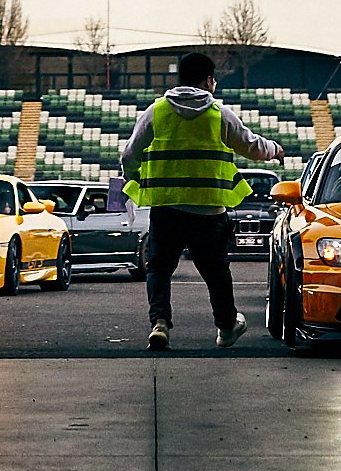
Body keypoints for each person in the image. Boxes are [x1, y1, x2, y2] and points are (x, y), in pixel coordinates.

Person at [120, 49, 279, 352]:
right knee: (216, 271)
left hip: (166, 207)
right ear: (208, 80)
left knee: (158, 267)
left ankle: (160, 324)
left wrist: (134, 176)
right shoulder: (219, 114)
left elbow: (129, 155)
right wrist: (275, 150)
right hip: (208, 210)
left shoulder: (156, 112)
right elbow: (251, 146)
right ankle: (227, 326)